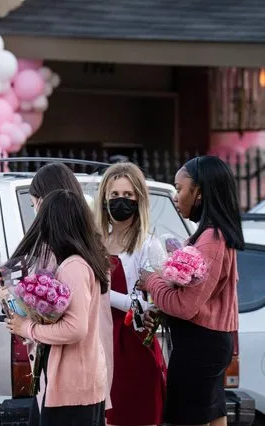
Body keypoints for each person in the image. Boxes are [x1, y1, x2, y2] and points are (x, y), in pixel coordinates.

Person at [0, 162, 114, 423]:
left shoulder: (73, 265)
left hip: (72, 383)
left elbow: (75, 328)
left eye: (36, 203)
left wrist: (27, 328)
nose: (35, 212)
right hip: (67, 378)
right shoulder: (83, 256)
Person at [138, 156, 244, 426]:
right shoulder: (214, 234)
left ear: (199, 192)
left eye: (180, 188)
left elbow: (186, 306)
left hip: (200, 345)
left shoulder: (211, 240)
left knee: (189, 418)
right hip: (209, 343)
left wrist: (150, 279)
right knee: (213, 414)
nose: (175, 196)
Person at [94, 162, 166, 426]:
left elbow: (152, 302)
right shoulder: (96, 243)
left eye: (127, 196)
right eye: (114, 196)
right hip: (101, 342)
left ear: (139, 200)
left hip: (135, 342)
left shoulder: (149, 244)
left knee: (139, 415)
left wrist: (102, 294)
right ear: (104, 198)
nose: (120, 202)